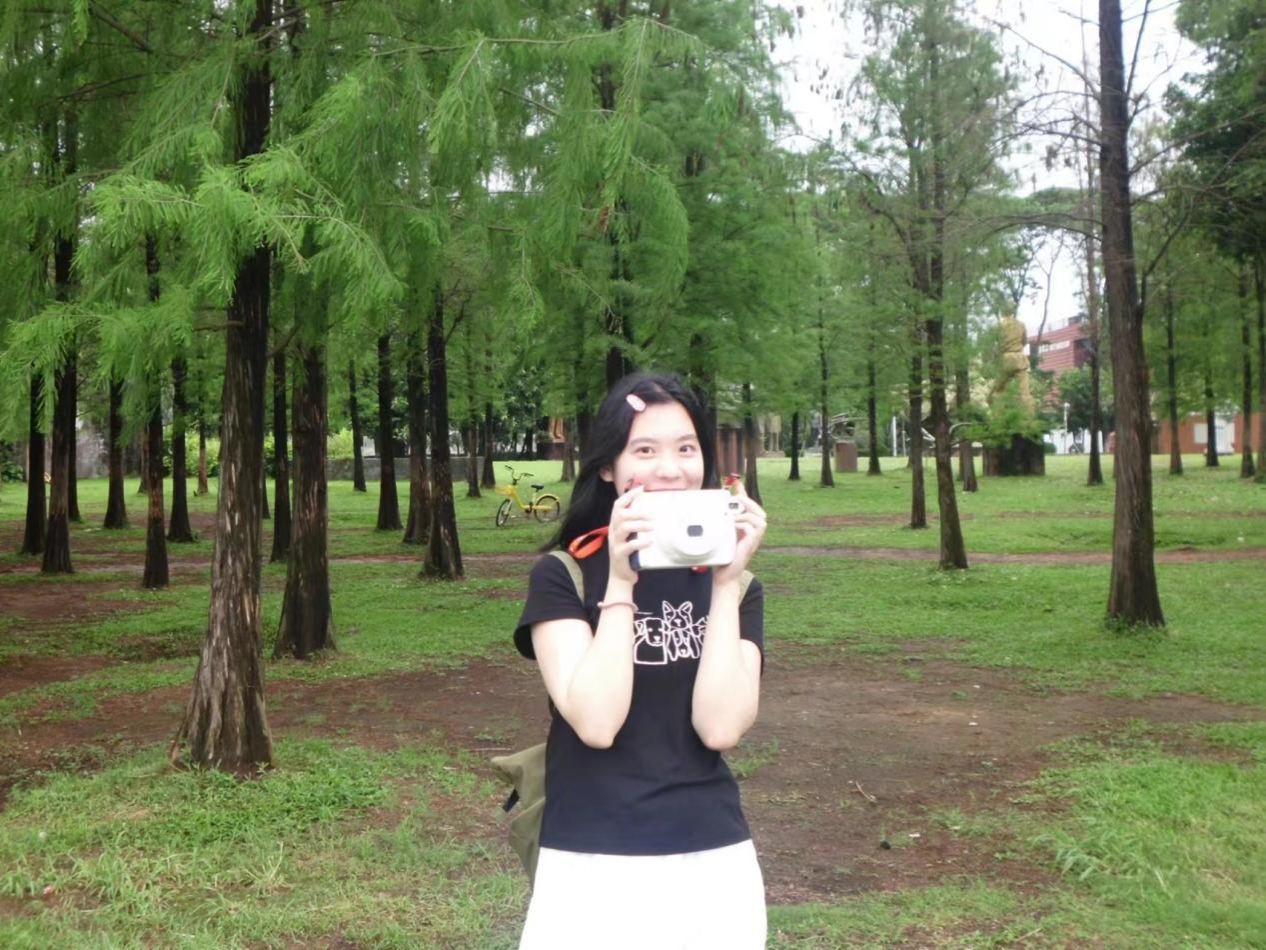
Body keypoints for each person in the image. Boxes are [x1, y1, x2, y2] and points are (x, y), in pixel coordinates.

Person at [513, 372, 769, 950]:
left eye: (686, 449)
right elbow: (597, 723)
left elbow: (720, 727)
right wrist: (621, 582)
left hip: (713, 860)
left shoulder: (737, 587)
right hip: (590, 858)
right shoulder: (565, 574)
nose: (670, 469)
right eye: (645, 450)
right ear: (609, 466)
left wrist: (724, 587)